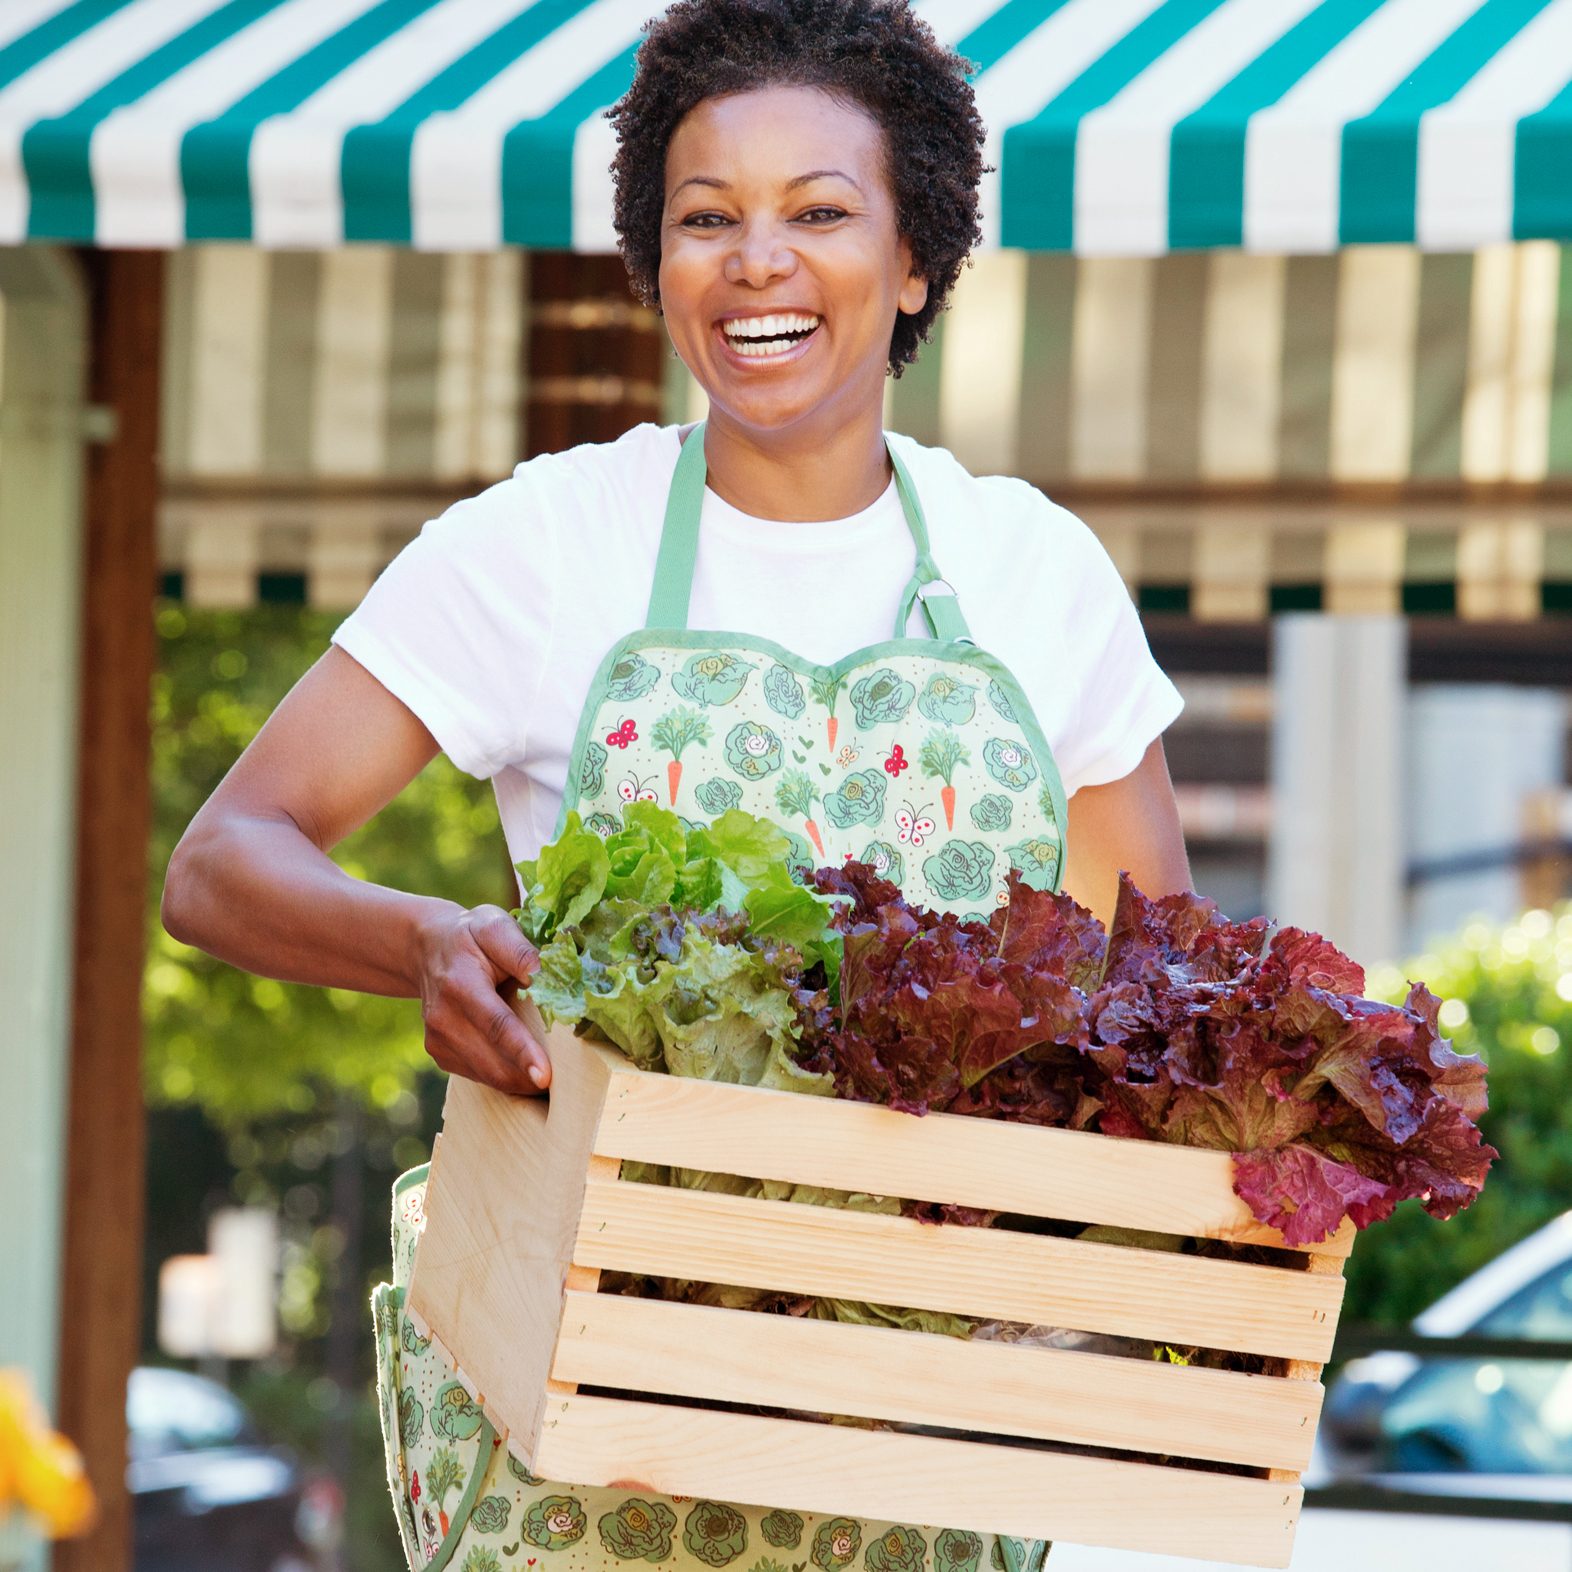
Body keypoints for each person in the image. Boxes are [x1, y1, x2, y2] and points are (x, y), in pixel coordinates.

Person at [164, 0, 1189, 1565]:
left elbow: (1161, 987)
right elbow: (224, 860)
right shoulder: (543, 544)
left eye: (821, 212)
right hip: (590, 1422)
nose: (757, 259)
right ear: (658, 270)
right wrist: (426, 942)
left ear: (917, 261)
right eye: (706, 218)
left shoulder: (1034, 572)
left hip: (924, 1423)